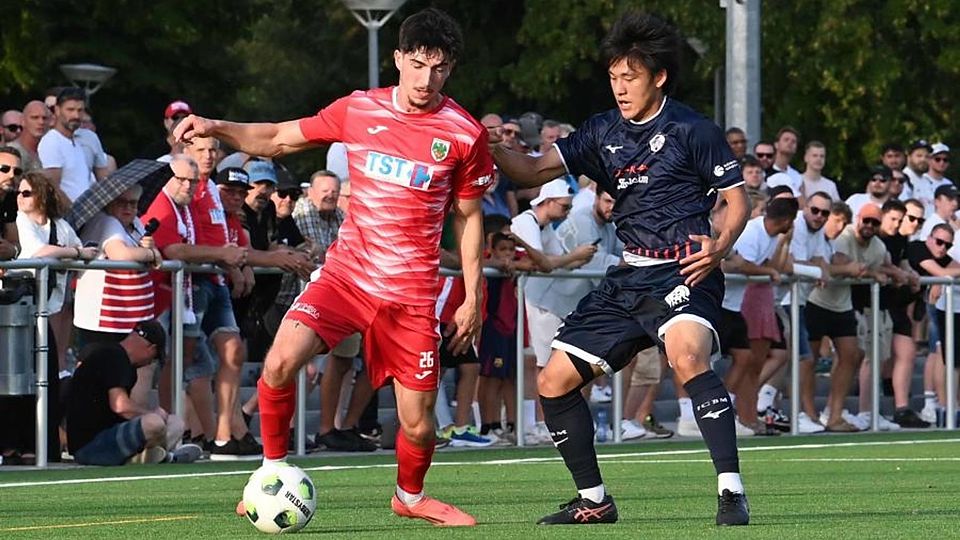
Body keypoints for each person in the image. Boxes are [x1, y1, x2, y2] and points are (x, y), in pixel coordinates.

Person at [176, 7, 491, 526]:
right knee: (278, 363)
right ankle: (269, 473)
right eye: (416, 64)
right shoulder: (359, 109)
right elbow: (277, 137)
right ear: (397, 59)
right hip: (346, 276)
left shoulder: (463, 133)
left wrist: (474, 297)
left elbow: (470, 216)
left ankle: (409, 497)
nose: (425, 78)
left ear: (450, 69)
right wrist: (216, 125)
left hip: (410, 296)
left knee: (418, 427)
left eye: (437, 68)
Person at [491, 12, 750, 526]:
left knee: (687, 357)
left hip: (683, 271)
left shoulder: (692, 128)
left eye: (630, 77)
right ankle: (594, 501)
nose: (620, 87)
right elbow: (527, 170)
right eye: (613, 77)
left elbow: (736, 202)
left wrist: (718, 248)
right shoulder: (600, 131)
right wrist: (486, 145)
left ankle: (731, 492)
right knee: (553, 382)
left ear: (659, 77)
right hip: (627, 279)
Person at [66, 321, 202, 465]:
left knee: (176, 422)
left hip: (108, 436)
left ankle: (145, 457)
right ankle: (160, 456)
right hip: (90, 446)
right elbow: (120, 406)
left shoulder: (116, 357)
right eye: (153, 359)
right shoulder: (115, 355)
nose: (148, 363)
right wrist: (151, 414)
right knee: (154, 422)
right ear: (151, 348)